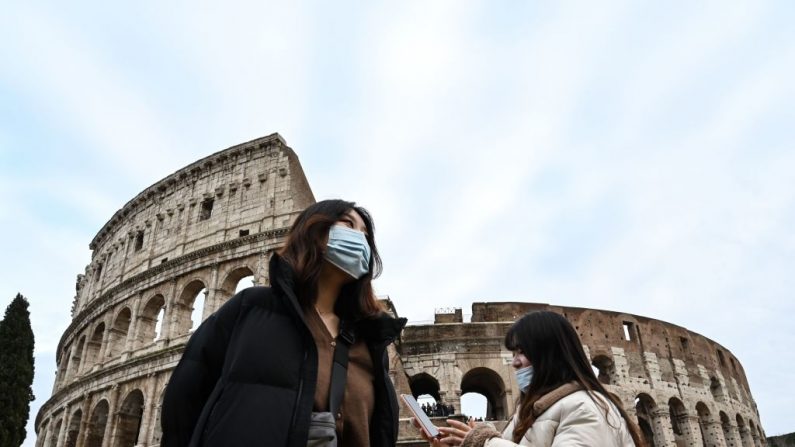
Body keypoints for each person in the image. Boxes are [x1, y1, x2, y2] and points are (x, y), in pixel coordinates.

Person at [161, 199, 407, 447]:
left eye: (365, 236)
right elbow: (184, 401)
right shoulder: (250, 309)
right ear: (313, 230)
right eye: (347, 225)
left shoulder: (370, 342)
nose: (360, 240)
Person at [413, 311, 645, 447]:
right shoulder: (531, 412)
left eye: (521, 352)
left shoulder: (587, 408)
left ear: (551, 353)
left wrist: (485, 442)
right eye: (513, 354)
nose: (514, 362)